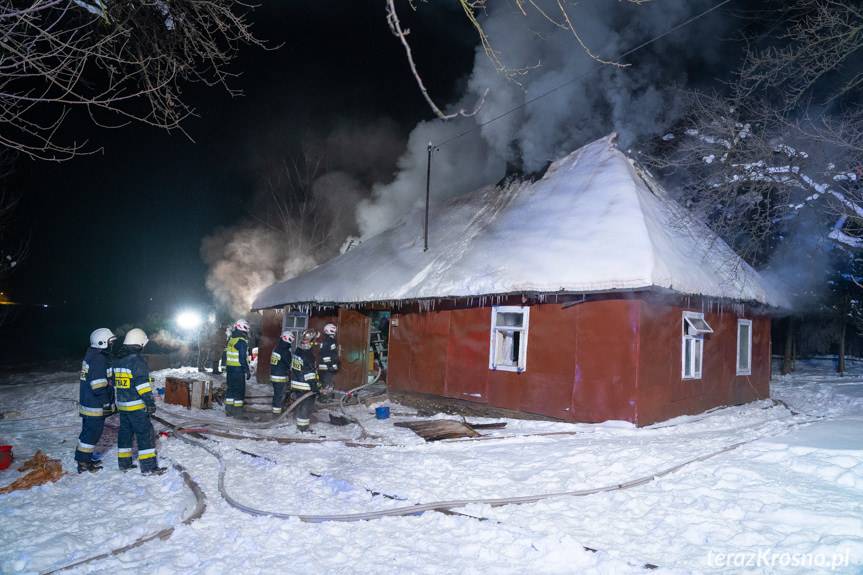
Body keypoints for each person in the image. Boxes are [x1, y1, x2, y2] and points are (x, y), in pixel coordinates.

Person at [113, 328, 166, 475]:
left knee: (125, 433)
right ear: (140, 343)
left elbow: (114, 382)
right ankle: (149, 468)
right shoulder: (137, 361)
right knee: (145, 434)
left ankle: (124, 463)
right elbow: (142, 385)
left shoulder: (118, 361)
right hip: (136, 407)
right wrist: (149, 402)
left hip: (122, 406)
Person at [75, 328, 116, 473]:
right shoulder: (99, 359)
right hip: (95, 405)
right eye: (110, 341)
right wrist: (106, 402)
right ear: (102, 342)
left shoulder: (92, 355)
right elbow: (98, 385)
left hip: (89, 403)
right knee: (92, 434)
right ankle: (83, 463)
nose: (112, 344)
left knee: (87, 433)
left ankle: (84, 458)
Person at [290, 328, 320, 432]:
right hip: (305, 385)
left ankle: (299, 423)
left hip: (296, 383)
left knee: (300, 404)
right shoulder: (308, 355)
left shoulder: (298, 351)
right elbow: (309, 373)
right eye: (314, 341)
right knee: (306, 406)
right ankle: (303, 428)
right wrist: (314, 387)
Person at [222, 319, 250, 417]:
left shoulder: (231, 339)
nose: (247, 331)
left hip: (230, 369)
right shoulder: (241, 341)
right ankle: (238, 413)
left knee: (231, 390)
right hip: (238, 370)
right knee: (239, 391)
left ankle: (229, 411)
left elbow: (225, 354)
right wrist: (247, 370)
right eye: (246, 328)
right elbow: (242, 358)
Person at [270, 331, 294, 416]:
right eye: (291, 338)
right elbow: (289, 363)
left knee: (277, 394)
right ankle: (277, 413)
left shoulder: (277, 348)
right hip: (280, 376)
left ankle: (276, 410)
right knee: (280, 395)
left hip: (274, 375)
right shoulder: (285, 350)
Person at [317, 323, 339, 397]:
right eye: (334, 331)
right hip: (327, 367)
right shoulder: (329, 341)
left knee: (325, 383)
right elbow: (327, 356)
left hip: (324, 366)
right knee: (327, 385)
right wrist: (332, 366)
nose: (335, 333)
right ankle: (325, 398)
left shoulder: (326, 340)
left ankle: (324, 397)